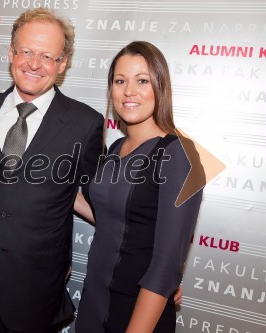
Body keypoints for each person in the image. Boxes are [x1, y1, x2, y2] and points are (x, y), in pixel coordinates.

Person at [0, 8, 105, 333]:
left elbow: (100, 198)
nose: (34, 64)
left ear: (62, 64)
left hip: (35, 286)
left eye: (48, 56)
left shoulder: (85, 124)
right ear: (11, 53)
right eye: (26, 52)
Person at [74, 41, 204, 333]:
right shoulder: (117, 146)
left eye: (142, 80)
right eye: (120, 81)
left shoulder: (179, 154)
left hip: (137, 311)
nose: (129, 91)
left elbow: (165, 268)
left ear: (160, 86)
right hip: (94, 302)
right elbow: (117, 221)